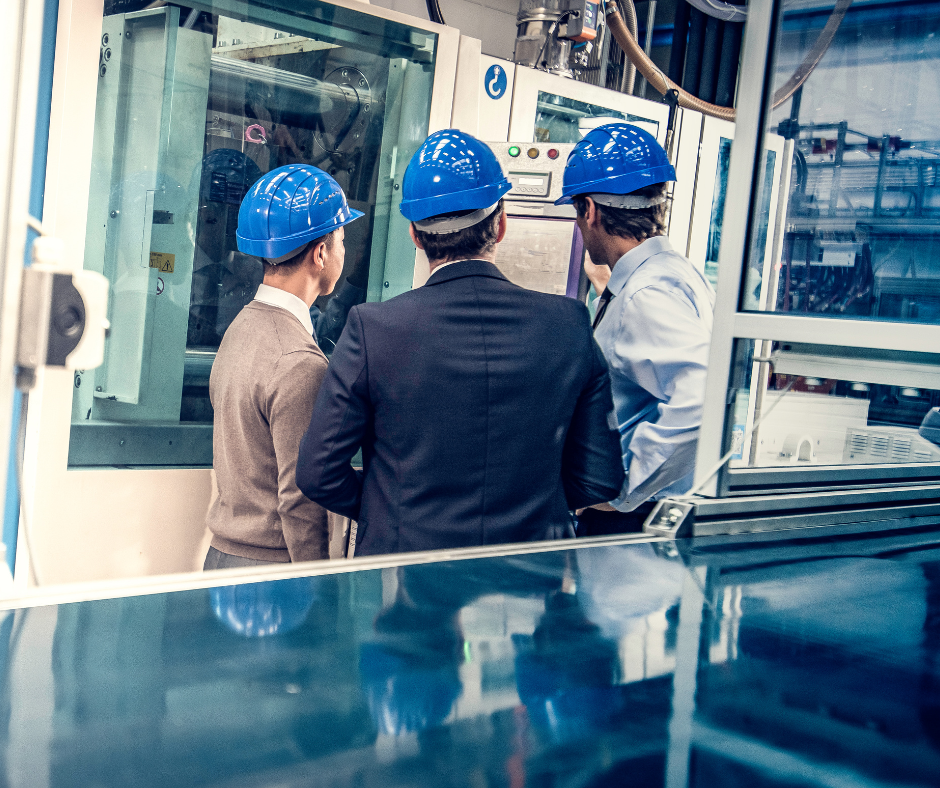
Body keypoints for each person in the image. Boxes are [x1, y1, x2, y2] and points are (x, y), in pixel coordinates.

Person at [296, 129, 624, 557]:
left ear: (415, 234)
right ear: (501, 224)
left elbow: (318, 472)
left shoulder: (374, 328)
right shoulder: (568, 325)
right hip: (528, 578)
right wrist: (533, 511)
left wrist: (394, 514)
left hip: (404, 577)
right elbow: (601, 477)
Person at [556, 123, 715, 536]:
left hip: (631, 522)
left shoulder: (645, 295)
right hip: (651, 514)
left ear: (589, 210)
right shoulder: (670, 273)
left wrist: (622, 490)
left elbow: (700, 398)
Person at [204, 164, 363, 570]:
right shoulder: (297, 362)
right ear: (321, 252)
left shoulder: (240, 328)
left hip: (223, 557)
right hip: (270, 572)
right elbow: (298, 498)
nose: (343, 252)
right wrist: (313, 583)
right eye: (341, 239)